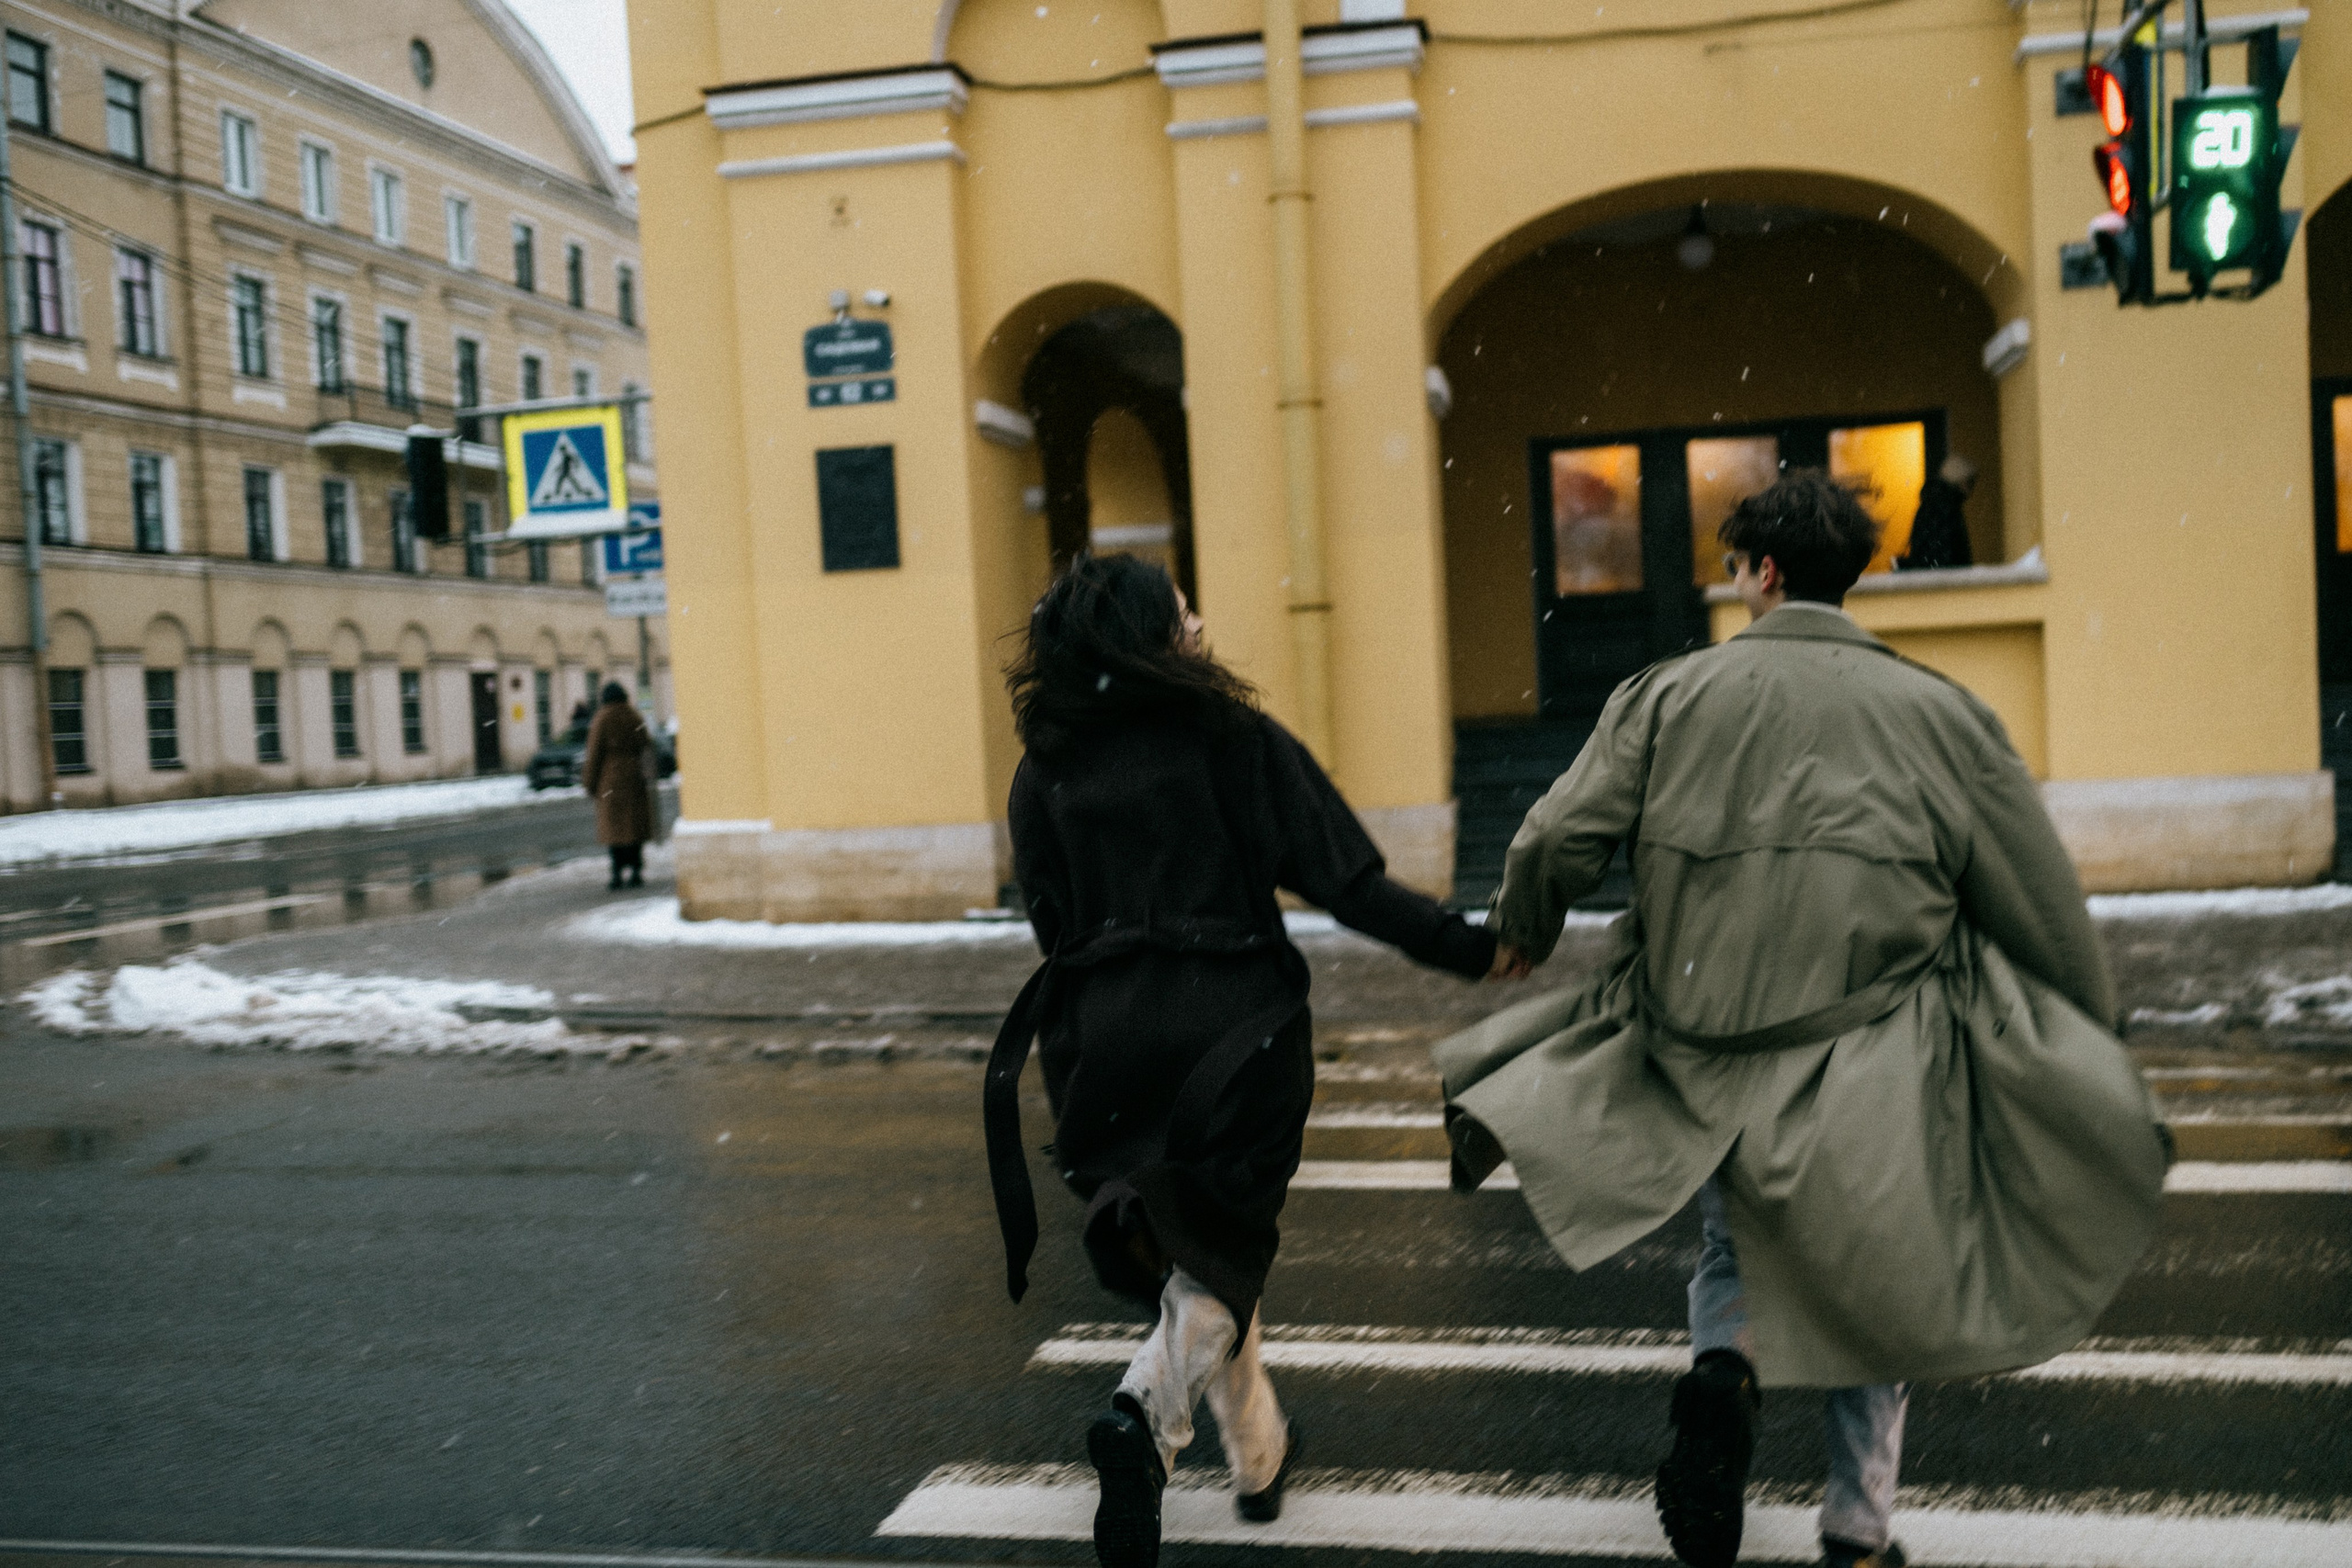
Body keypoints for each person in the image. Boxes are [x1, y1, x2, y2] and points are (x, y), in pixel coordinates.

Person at [1442, 472, 2165, 1568]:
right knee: (1879, 1277)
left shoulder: (1665, 696)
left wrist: (1524, 928)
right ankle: (1856, 1531)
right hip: (1877, 1042)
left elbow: (1555, 835)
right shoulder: (1939, 713)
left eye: (1734, 567)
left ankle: (1723, 1377)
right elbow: (2034, 892)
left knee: (1734, 1246)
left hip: (1710, 1041)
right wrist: (2083, 1035)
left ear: (1764, 572)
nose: (1731, 587)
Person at [986, 554, 1496, 1568]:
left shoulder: (1045, 766)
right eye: (1182, 611)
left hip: (1101, 1038)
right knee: (1223, 1244)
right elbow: (1344, 880)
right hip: (1234, 1032)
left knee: (1198, 1250)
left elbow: (1049, 918)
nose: (1200, 622)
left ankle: (1257, 1455)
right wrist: (1466, 946)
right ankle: (1144, 1418)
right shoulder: (1232, 738)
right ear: (1149, 635)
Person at [582, 682, 654, 890]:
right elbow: (647, 745)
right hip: (634, 778)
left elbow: (594, 753)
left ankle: (616, 873)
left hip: (610, 778)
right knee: (634, 827)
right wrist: (647, 773)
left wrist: (590, 783)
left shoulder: (602, 718)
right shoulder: (634, 716)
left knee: (614, 829)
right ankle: (636, 870)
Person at [1894, 453, 1975, 570]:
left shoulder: (1932, 503)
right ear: (1960, 481)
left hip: (1930, 576)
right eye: (1970, 482)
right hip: (1944, 580)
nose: (1971, 489)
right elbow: (1946, 551)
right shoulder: (1946, 507)